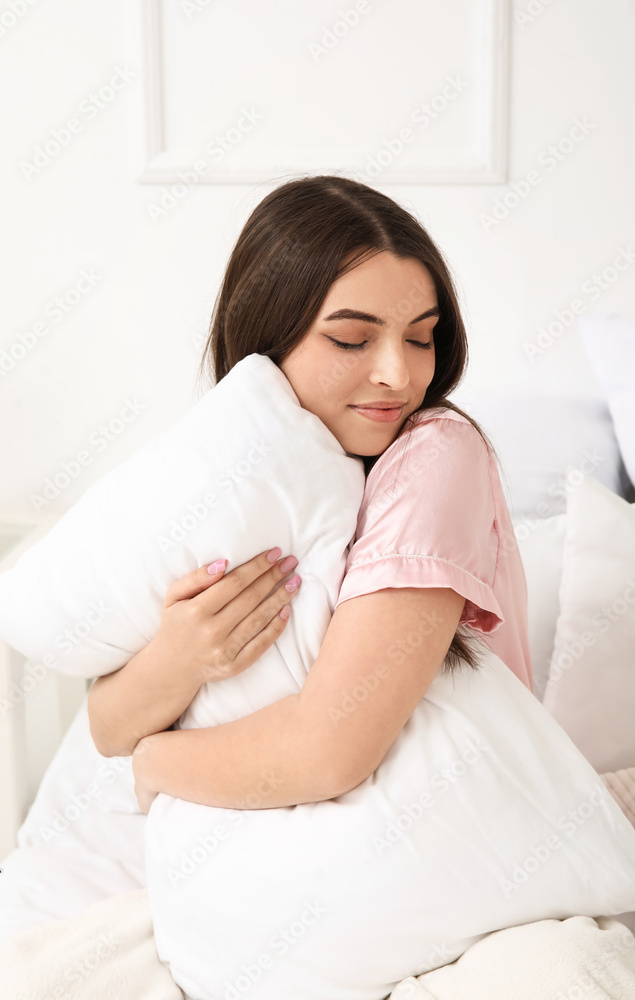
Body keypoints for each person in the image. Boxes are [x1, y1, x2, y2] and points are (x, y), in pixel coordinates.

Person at [87, 175, 533, 815]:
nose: (398, 375)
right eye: (352, 339)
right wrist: (180, 658)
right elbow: (105, 729)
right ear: (265, 335)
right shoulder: (237, 475)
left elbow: (327, 753)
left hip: (447, 830)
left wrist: (156, 759)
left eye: (419, 336)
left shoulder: (437, 453)